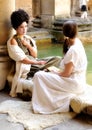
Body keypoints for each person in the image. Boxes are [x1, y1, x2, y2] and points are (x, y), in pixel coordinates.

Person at [32, 20, 88, 114]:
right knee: (44, 73)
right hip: (77, 80)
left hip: (73, 83)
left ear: (64, 32)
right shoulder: (77, 42)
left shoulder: (73, 50)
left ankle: (44, 104)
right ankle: (46, 101)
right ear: (76, 32)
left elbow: (66, 74)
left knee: (38, 75)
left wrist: (53, 71)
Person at [7, 9, 61, 99]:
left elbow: (35, 55)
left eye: (26, 26)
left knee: (58, 58)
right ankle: (42, 71)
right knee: (44, 67)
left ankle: (43, 70)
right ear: (16, 28)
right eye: (21, 27)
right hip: (26, 66)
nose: (24, 30)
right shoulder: (13, 41)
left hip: (35, 62)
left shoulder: (28, 38)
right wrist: (38, 63)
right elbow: (22, 59)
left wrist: (28, 45)